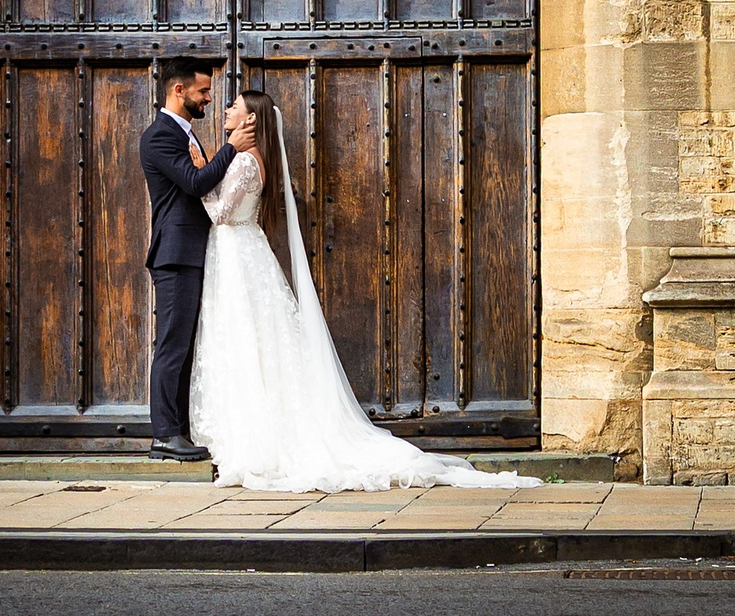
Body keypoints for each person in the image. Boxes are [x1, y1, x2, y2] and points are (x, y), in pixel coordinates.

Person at [189, 89, 532, 491]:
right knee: (253, 344)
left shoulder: (246, 160)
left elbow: (219, 212)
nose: (227, 110)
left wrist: (200, 176)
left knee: (247, 341)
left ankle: (257, 441)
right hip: (240, 254)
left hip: (238, 255)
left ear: (251, 121)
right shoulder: (248, 158)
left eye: (235, 107)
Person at [138, 59, 254, 461]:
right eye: (203, 91)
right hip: (175, 255)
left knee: (185, 346)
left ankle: (181, 430)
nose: (209, 98)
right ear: (178, 91)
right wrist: (231, 148)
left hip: (193, 253)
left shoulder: (184, 134)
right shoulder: (159, 136)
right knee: (172, 345)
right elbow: (193, 184)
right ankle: (165, 435)